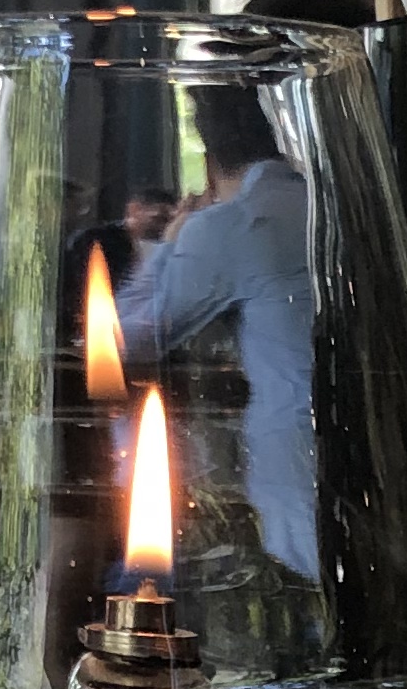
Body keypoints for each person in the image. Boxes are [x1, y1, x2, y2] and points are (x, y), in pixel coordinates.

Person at [114, 79, 317, 585]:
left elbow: (130, 339)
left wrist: (170, 242)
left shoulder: (236, 222)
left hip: (293, 452)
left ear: (209, 159)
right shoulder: (320, 202)